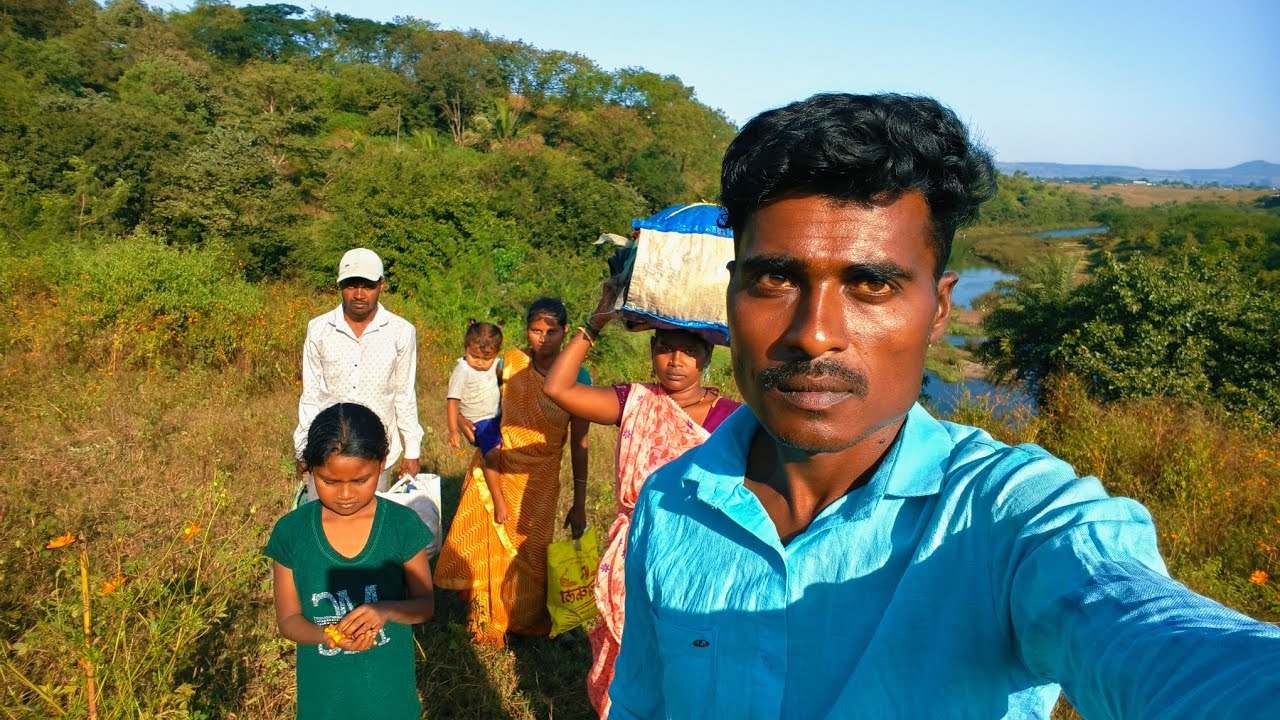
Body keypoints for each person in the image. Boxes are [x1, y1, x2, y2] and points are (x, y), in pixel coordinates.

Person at [610, 93, 1280, 719]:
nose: (814, 333)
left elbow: (1134, 618)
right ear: (730, 297)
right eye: (775, 278)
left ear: (939, 309)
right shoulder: (672, 503)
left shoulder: (1006, 517)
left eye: (871, 283)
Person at [543, 284, 742, 718]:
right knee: (628, 655)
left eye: (688, 351)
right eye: (666, 349)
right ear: (652, 350)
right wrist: (595, 321)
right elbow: (558, 388)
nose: (675, 361)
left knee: (688, 656)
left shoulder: (731, 417)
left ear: (706, 358)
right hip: (637, 549)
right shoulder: (634, 401)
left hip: (698, 557)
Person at [434, 297, 591, 646]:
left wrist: (579, 502)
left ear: (565, 332)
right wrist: (460, 421)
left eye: (551, 331)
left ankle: (522, 623)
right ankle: (484, 620)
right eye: (536, 330)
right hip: (495, 467)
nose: (543, 338)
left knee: (530, 554)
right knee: (482, 546)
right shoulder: (510, 364)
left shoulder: (578, 377)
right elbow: (467, 390)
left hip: (540, 478)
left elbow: (580, 444)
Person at [266, 402, 435, 719]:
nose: (345, 494)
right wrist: (329, 635)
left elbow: (425, 605)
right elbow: (289, 620)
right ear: (309, 470)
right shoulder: (291, 533)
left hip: (390, 700)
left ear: (382, 464)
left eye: (360, 481)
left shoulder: (401, 526)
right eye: (329, 481)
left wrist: (385, 610)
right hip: (325, 703)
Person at [294, 248, 423, 493]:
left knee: (370, 524)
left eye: (368, 286)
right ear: (340, 286)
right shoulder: (319, 329)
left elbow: (404, 394)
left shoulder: (400, 332)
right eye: (351, 286)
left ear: (381, 285)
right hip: (327, 448)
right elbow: (311, 395)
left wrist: (412, 449)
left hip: (377, 450)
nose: (359, 294)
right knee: (323, 521)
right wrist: (304, 447)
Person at [445, 321, 506, 523]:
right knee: (492, 456)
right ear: (465, 348)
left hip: (496, 417)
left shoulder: (495, 363)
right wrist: (454, 429)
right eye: (474, 356)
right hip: (479, 422)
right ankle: (499, 501)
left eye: (486, 358)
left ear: (495, 353)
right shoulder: (462, 370)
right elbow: (453, 401)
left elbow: (506, 368)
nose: (480, 362)